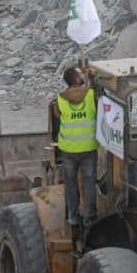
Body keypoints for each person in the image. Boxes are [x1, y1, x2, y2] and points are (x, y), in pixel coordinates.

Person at [53, 66, 98, 227]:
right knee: (89, 182)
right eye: (81, 74)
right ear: (76, 79)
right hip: (88, 148)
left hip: (69, 149)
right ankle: (91, 216)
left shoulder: (60, 99)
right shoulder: (91, 94)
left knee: (70, 183)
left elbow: (57, 116)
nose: (83, 76)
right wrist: (92, 78)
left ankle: (73, 215)